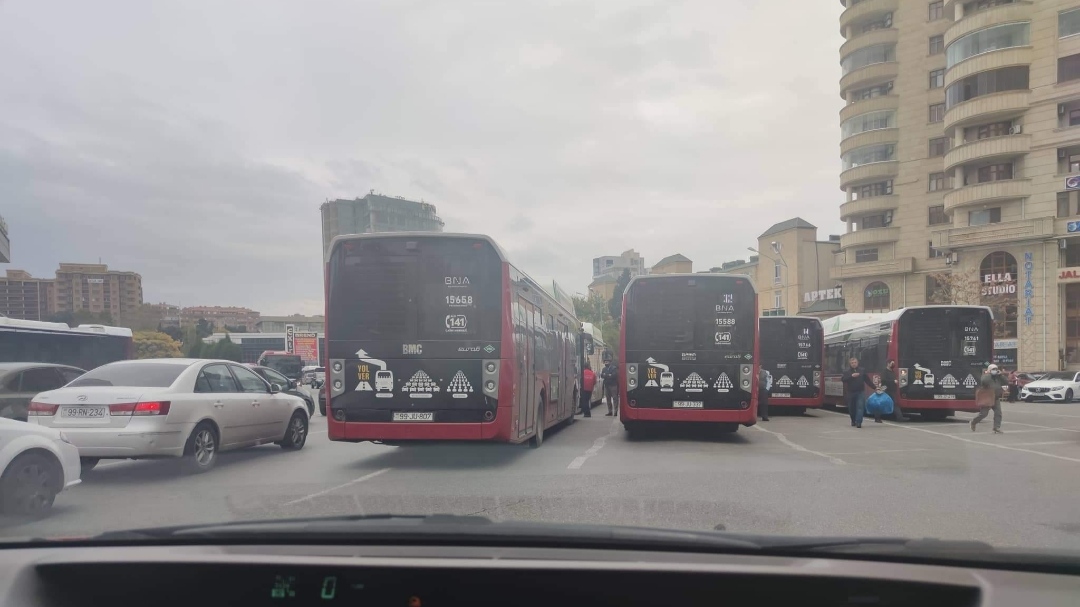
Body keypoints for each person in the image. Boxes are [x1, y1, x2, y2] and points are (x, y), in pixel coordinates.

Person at [972, 363, 1007, 434]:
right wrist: (989, 374)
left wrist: (1000, 375)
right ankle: (974, 422)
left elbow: (1005, 382)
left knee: (998, 413)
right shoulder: (986, 376)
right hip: (988, 398)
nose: (995, 371)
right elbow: (984, 381)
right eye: (993, 369)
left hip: (996, 397)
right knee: (984, 414)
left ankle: (996, 427)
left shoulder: (998, 377)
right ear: (990, 370)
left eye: (996, 369)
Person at [841, 357, 875, 428]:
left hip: (860, 391)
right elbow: (843, 380)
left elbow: (867, 380)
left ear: (857, 363)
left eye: (855, 362)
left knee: (860, 407)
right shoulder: (846, 371)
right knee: (851, 408)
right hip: (851, 392)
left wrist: (875, 387)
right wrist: (851, 376)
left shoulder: (862, 370)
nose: (854, 364)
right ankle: (853, 420)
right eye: (852, 363)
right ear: (850, 364)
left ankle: (859, 422)